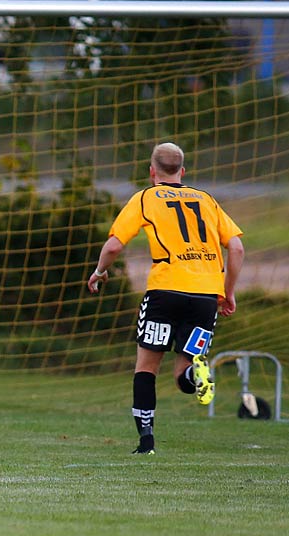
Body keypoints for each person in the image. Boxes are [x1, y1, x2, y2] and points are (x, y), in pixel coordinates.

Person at [87, 141, 244, 455]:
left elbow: (115, 246)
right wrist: (227, 293)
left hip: (165, 290)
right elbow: (237, 248)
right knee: (181, 374)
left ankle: (146, 442)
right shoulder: (206, 199)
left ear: (151, 171)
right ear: (182, 171)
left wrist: (100, 271)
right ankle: (196, 373)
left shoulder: (145, 198)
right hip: (204, 297)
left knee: (146, 368)